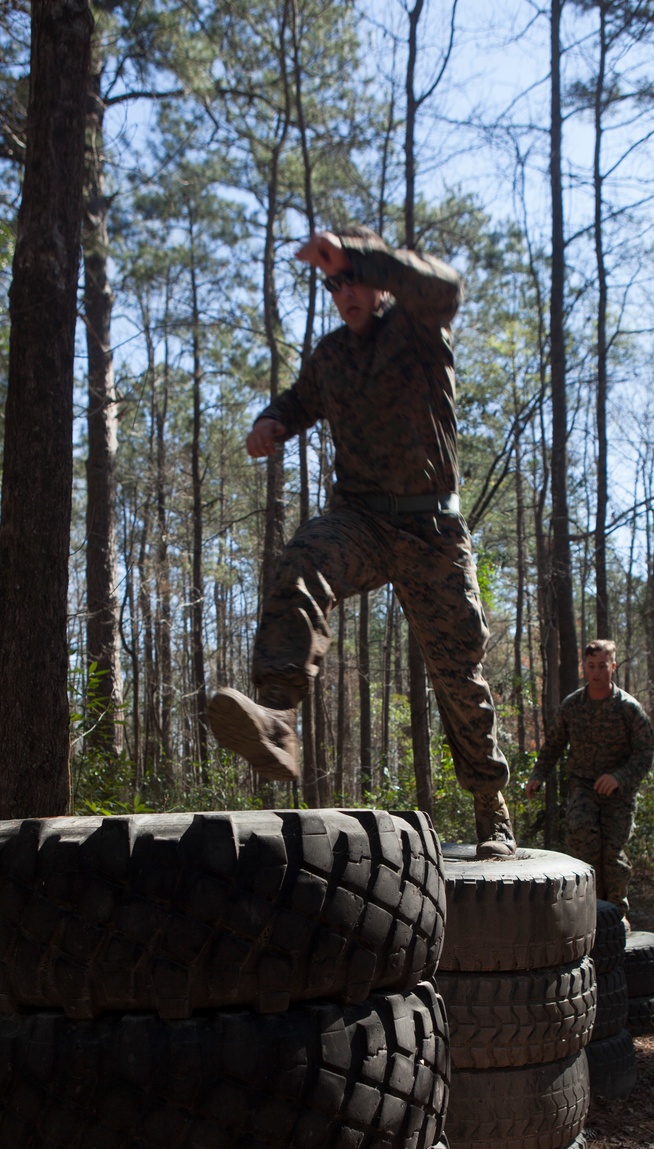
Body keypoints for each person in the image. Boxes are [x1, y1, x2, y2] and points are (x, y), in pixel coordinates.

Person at [207, 225, 515, 858]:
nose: (345, 290)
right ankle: (277, 718)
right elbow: (301, 398)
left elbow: (445, 287)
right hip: (363, 522)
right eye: (335, 282)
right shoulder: (331, 356)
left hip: (432, 530)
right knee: (304, 561)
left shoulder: (418, 329)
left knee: (459, 676)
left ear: (378, 281)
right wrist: (273, 421)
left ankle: (492, 808)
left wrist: (362, 257)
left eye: (355, 278)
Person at [525, 640, 654, 914]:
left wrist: (619, 777)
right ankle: (586, 911)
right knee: (582, 839)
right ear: (585, 667)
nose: (596, 672)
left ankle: (616, 913)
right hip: (583, 786)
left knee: (612, 855)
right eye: (591, 666)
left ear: (613, 667)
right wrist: (538, 775)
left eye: (602, 666)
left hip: (618, 794)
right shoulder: (573, 706)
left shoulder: (629, 709)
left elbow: (645, 753)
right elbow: (554, 744)